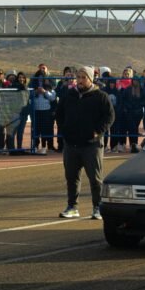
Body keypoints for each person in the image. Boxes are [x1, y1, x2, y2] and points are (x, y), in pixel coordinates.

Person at [55, 65, 115, 220]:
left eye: (83, 78)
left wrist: (98, 131)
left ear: (90, 79)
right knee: (71, 177)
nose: (80, 81)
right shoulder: (69, 95)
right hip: (71, 144)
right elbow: (59, 114)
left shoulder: (101, 96)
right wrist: (64, 130)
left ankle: (98, 207)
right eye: (78, 77)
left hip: (91, 145)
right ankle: (72, 206)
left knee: (95, 179)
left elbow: (109, 116)